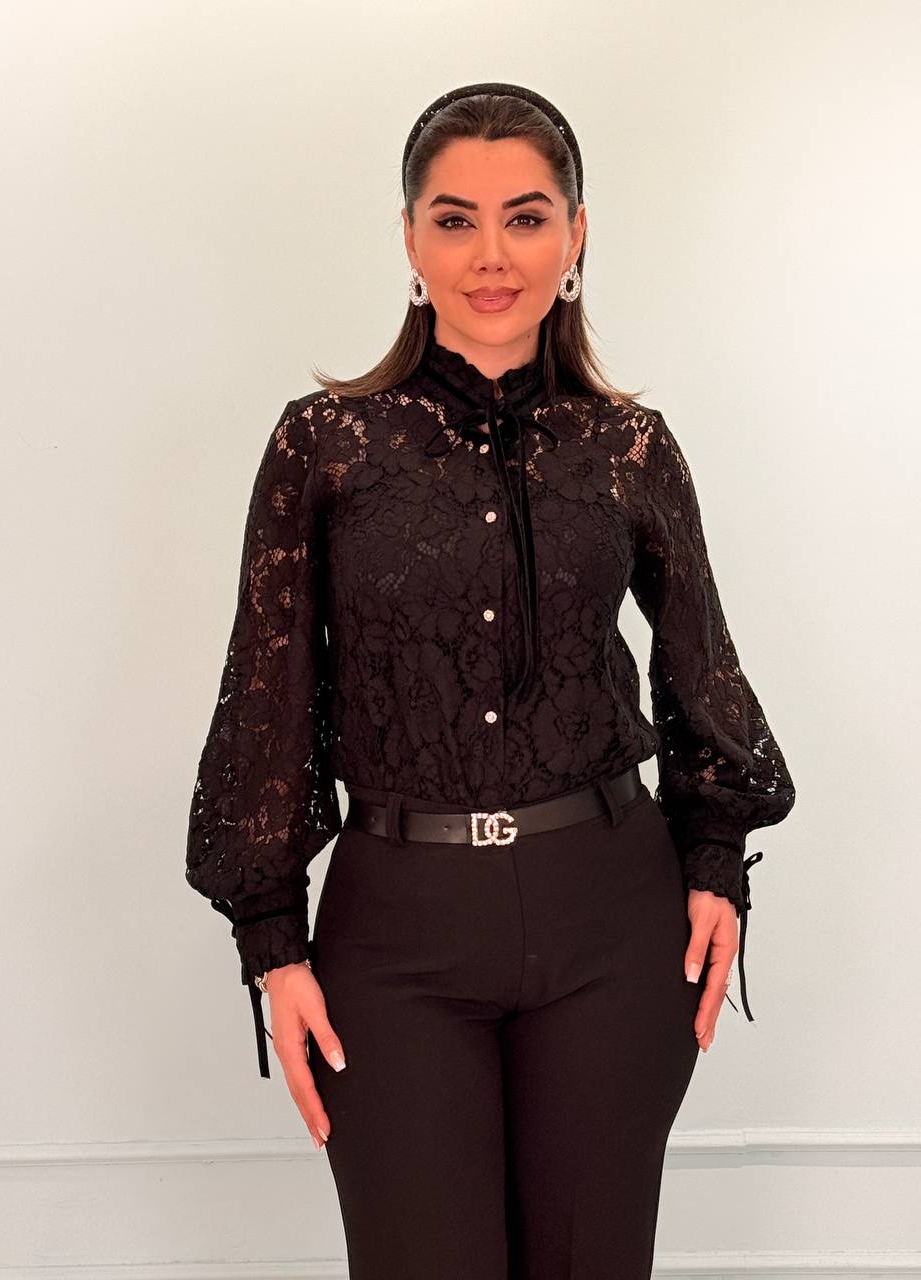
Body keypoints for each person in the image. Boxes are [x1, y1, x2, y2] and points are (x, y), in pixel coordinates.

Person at [185, 82, 797, 1280]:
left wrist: (717, 860)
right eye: (454, 219)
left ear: (576, 233)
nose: (491, 255)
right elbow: (266, 695)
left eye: (525, 216)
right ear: (410, 239)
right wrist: (272, 937)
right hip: (396, 929)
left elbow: (701, 663)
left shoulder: (629, 446)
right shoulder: (325, 445)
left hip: (612, 916)